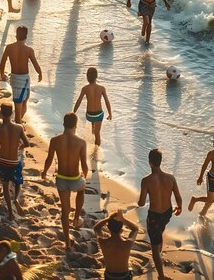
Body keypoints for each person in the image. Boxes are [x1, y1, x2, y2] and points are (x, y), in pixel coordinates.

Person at [42, 112, 88, 250]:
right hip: (75, 179)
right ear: (76, 125)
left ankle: (67, 243)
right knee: (82, 189)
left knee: (64, 210)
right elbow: (84, 164)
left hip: (61, 179)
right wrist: (84, 175)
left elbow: (49, 159)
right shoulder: (81, 142)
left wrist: (44, 172)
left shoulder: (55, 140)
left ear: (63, 124)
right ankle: (76, 218)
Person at [138, 149, 182, 280]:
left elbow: (140, 203)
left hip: (154, 216)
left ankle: (161, 276)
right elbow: (178, 197)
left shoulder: (146, 180)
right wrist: (179, 207)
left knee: (155, 246)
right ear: (160, 162)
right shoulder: (171, 178)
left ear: (150, 163)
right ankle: (159, 254)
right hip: (167, 214)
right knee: (159, 232)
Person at [0, 103, 30, 220]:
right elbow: (27, 143)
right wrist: (19, 148)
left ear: (1, 114)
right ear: (12, 114)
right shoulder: (19, 128)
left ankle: (11, 213)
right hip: (14, 161)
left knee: (5, 186)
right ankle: (16, 199)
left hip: (2, 161)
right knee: (18, 181)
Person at [0, 25, 42, 123]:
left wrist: (2, 74)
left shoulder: (9, 47)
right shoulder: (28, 50)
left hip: (14, 78)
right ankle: (18, 123)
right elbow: (36, 64)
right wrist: (40, 73)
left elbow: (2, 62)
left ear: (16, 36)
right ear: (26, 36)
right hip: (24, 79)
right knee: (22, 104)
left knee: (20, 101)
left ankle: (18, 121)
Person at [94, 209, 139, 280]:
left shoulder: (103, 242)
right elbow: (135, 229)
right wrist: (123, 219)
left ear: (108, 228)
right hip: (124, 276)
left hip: (109, 276)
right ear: (121, 229)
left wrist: (108, 219)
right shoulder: (127, 244)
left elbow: (96, 228)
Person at [73, 67, 112, 146]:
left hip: (89, 115)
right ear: (96, 76)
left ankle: (93, 129)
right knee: (98, 133)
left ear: (87, 77)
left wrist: (73, 112)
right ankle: (96, 151)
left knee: (93, 122)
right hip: (98, 115)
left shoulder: (85, 88)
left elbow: (79, 101)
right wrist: (110, 113)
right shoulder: (101, 88)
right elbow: (107, 102)